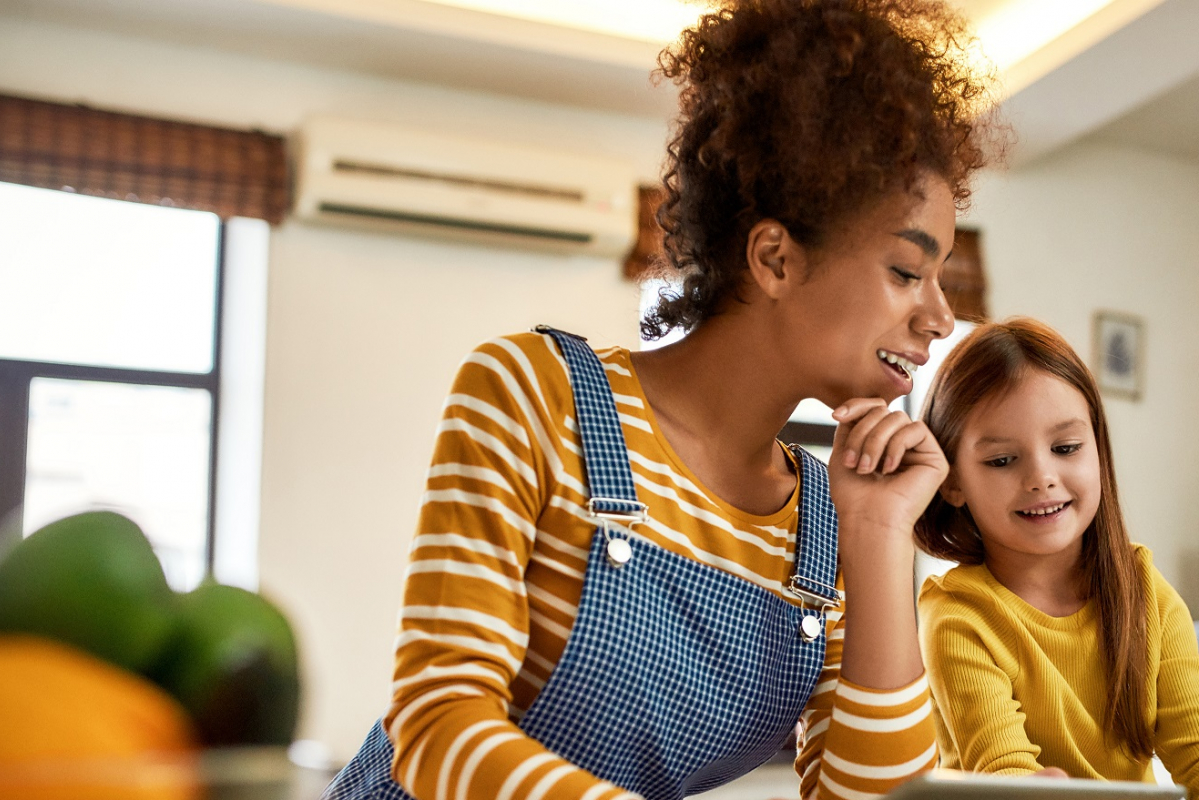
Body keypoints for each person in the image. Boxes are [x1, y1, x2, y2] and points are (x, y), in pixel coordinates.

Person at [319, 1, 994, 799]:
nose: (941, 317)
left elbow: (870, 798)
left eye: (944, 277)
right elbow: (438, 723)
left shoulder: (826, 519)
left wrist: (880, 535)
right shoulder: (533, 393)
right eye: (907, 273)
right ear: (775, 258)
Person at [913, 318, 1199, 800]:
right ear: (952, 481)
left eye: (1066, 448)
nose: (1042, 477)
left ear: (1097, 450)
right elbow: (1003, 773)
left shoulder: (1142, 589)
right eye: (1001, 460)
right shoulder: (957, 612)